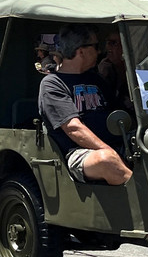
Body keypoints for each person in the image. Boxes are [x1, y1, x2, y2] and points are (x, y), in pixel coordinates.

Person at [37, 23, 132, 185]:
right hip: (78, 153)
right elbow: (74, 128)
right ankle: (146, 199)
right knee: (107, 161)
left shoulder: (96, 80)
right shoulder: (52, 84)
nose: (100, 51)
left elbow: (117, 111)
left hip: (114, 143)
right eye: (95, 46)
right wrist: (107, 150)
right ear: (81, 51)